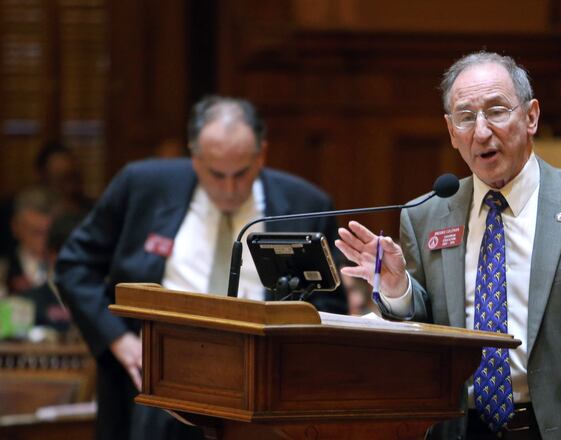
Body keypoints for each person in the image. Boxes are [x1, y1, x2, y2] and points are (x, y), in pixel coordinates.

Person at [336, 52, 561, 439]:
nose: (481, 132)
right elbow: (423, 334)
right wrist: (397, 289)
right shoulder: (426, 215)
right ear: (450, 131)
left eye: (496, 111)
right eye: (465, 117)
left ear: (531, 117)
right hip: (462, 429)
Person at [55, 96, 347, 440]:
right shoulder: (141, 185)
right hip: (154, 380)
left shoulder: (306, 204)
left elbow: (328, 307)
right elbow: (74, 266)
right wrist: (119, 339)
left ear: (261, 155)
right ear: (195, 157)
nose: (228, 189)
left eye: (241, 174)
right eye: (216, 174)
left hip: (260, 393)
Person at [2, 187, 54, 295]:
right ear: (16, 227)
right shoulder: (4, 270)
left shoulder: (65, 265)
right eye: (35, 232)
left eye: (47, 232)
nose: (43, 240)